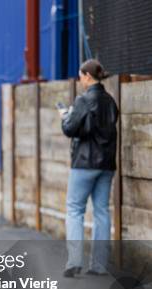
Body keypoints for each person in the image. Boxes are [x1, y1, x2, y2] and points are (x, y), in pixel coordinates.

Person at [60, 59, 118, 277]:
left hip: (84, 164)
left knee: (75, 209)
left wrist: (65, 117)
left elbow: (69, 128)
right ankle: (99, 265)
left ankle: (74, 262)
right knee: (102, 211)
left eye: (80, 75)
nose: (79, 79)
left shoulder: (83, 100)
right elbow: (101, 130)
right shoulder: (110, 101)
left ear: (86, 76)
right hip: (106, 164)